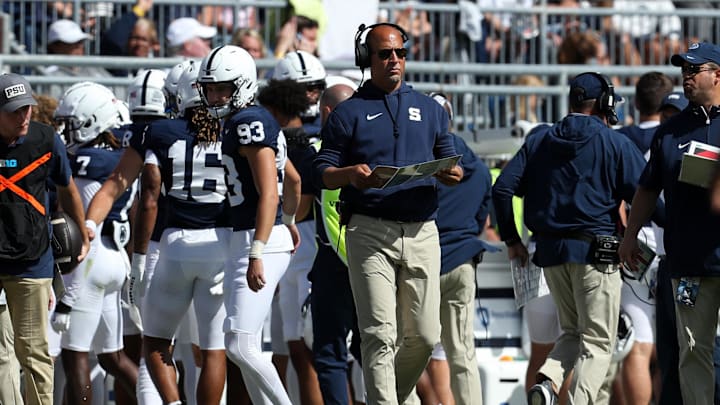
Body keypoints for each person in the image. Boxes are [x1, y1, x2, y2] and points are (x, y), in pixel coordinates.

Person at [312, 23, 463, 405]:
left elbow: (451, 162)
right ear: (368, 59)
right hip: (369, 230)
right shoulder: (348, 114)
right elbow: (322, 172)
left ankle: (388, 397)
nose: (394, 59)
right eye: (384, 53)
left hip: (422, 231)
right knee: (379, 334)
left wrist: (451, 173)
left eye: (400, 52)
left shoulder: (430, 109)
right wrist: (350, 175)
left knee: (426, 336)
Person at [493, 72, 652, 405]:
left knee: (571, 334)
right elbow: (647, 197)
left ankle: (548, 382)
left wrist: (512, 240)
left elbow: (503, 188)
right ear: (605, 103)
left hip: (550, 254)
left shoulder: (539, 139)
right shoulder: (615, 142)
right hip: (596, 255)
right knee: (598, 343)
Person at [85, 64, 229, 405]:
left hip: (167, 246)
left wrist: (94, 229)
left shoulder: (160, 133)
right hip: (221, 245)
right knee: (210, 349)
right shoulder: (234, 130)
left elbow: (142, 193)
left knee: (156, 345)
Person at [197, 44, 301, 405]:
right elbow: (295, 180)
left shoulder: (248, 122)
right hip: (264, 235)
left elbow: (269, 191)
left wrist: (261, 246)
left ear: (241, 85)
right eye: (209, 88)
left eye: (221, 88)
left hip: (257, 239)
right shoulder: (250, 120)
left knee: (239, 343)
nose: (213, 95)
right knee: (245, 344)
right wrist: (288, 223)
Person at [619, 42, 720, 405]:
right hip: (687, 264)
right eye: (684, 70)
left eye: (694, 70)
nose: (687, 77)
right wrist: (630, 237)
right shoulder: (670, 131)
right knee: (692, 351)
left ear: (717, 75)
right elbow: (647, 189)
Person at [0, 72, 89, 405]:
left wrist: (83, 235)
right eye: (13, 110)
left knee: (34, 350)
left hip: (33, 258)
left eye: (27, 107)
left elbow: (68, 189)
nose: (23, 116)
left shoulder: (46, 139)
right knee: (0, 353)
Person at [50, 81, 139, 404]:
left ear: (92, 121)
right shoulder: (119, 158)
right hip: (114, 260)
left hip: (91, 263)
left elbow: (87, 232)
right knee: (112, 358)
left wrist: (69, 296)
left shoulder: (85, 163)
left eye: (70, 125)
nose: (65, 132)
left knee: (76, 358)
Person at [257, 78, 323, 405]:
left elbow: (304, 201)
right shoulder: (287, 144)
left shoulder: (302, 149)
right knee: (294, 347)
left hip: (301, 246)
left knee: (305, 350)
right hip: (293, 246)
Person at [433, 92, 493, 405]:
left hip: (425, 265)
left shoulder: (422, 165)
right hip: (463, 263)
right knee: (461, 352)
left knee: (408, 348)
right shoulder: (481, 170)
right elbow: (481, 221)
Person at [309, 82, 361, 405]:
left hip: (331, 259)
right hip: (373, 258)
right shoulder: (375, 147)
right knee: (376, 348)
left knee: (330, 352)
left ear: (326, 112)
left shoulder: (315, 153)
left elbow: (299, 207)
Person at [272, 50, 327, 135]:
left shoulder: (328, 117)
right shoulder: (271, 122)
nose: (307, 95)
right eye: (299, 89)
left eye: (313, 88)